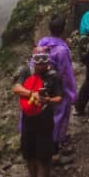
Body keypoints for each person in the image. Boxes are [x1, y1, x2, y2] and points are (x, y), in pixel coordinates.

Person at [13, 48, 63, 177]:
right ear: (33, 59)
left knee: (44, 158)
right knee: (29, 155)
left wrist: (47, 99)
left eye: (44, 58)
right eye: (37, 58)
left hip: (45, 123)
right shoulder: (26, 72)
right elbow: (16, 88)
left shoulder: (54, 76)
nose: (40, 63)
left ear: (48, 59)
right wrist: (32, 94)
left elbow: (59, 98)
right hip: (28, 122)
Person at [37, 16, 77, 158]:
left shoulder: (42, 43)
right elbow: (66, 73)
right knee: (59, 116)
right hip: (56, 87)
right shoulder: (61, 50)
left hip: (42, 84)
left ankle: (46, 142)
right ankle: (54, 147)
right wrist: (71, 92)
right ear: (63, 30)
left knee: (44, 114)